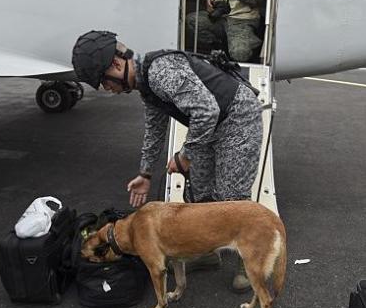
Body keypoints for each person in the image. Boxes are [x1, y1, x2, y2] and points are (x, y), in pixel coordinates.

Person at [71, 30, 263, 292]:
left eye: (104, 82)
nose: (108, 89)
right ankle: (207, 253)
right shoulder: (147, 87)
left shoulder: (161, 73)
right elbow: (155, 131)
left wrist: (184, 156)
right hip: (212, 124)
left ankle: (247, 261)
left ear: (115, 65)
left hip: (237, 118)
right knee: (201, 190)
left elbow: (206, 111)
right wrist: (145, 174)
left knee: (232, 197)